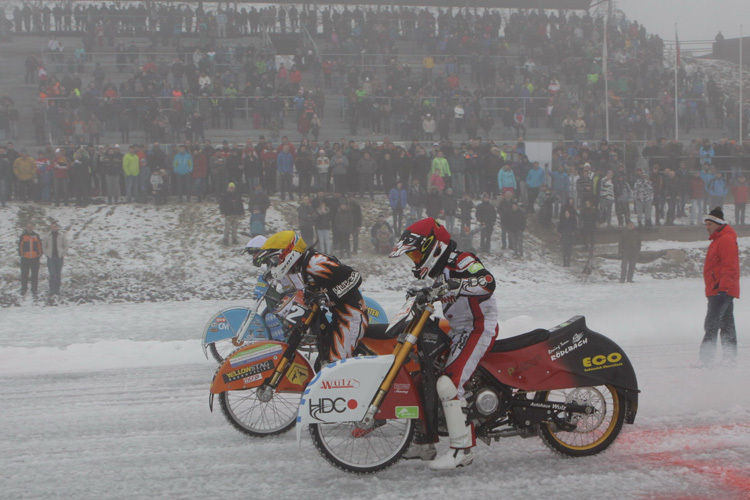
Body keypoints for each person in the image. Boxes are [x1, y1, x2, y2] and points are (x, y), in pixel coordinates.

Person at [390, 218, 497, 470]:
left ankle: (463, 449)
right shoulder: (436, 270)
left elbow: (487, 282)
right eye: (411, 256)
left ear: (433, 246)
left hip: (478, 326)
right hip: (458, 328)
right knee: (422, 378)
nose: (415, 259)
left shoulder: (462, 261)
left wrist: (457, 284)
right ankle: (423, 442)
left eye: (416, 253)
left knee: (449, 383)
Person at [256, 231, 368, 362]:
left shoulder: (315, 263)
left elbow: (354, 277)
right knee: (322, 359)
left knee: (336, 363)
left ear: (287, 253)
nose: (274, 265)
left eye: (275, 261)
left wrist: (327, 296)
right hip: (338, 316)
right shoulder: (305, 266)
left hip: (351, 317)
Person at [699, 208, 740, 365]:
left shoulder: (725, 240)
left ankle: (706, 359)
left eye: (709, 224)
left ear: (718, 223)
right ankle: (730, 358)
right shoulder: (719, 239)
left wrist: (723, 289)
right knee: (727, 324)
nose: (707, 227)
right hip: (720, 288)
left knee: (711, 324)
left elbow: (729, 267)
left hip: (720, 290)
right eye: (706, 224)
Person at [41, 222, 68, 296]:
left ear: (57, 227)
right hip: (51, 258)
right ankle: (52, 290)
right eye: (52, 227)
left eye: (55, 227)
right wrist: (47, 254)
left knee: (58, 274)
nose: (53, 228)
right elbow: (44, 246)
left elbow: (65, 245)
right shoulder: (47, 236)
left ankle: (57, 290)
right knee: (52, 274)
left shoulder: (61, 236)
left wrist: (63, 253)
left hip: (59, 257)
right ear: (50, 228)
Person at [18, 223, 42, 297]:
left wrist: (39, 254)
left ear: (33, 228)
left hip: (35, 258)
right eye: (28, 227)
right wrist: (22, 255)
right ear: (26, 228)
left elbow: (39, 245)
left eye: (31, 227)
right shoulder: (23, 236)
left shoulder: (36, 236)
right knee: (24, 274)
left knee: (35, 274)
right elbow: (20, 246)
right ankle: (24, 288)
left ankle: (34, 289)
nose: (29, 228)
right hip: (25, 258)